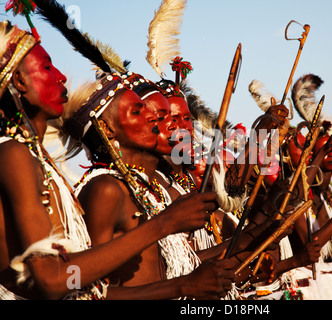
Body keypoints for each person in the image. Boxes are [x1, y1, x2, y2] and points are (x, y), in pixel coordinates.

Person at [0, 20, 221, 300]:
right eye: (47, 67)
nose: (61, 77)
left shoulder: (35, 159)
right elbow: (54, 279)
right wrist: (164, 224)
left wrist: (183, 286)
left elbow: (91, 290)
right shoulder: (13, 153)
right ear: (19, 81)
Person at [56, 72, 236, 299]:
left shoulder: (149, 191)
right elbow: (75, 283)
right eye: (138, 111)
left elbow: (179, 266)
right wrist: (183, 286)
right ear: (107, 128)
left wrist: (251, 238)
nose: (153, 118)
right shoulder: (105, 188)